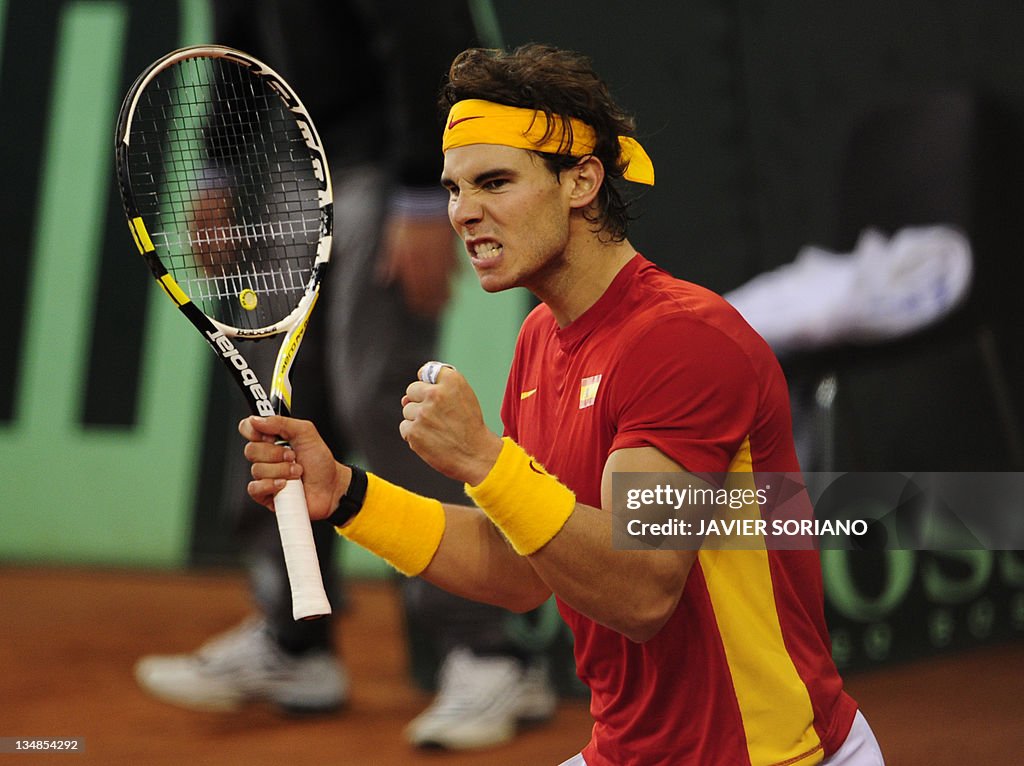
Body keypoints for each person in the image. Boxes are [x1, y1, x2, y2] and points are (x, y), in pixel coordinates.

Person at [239, 43, 885, 765]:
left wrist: (485, 460)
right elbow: (522, 570)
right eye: (453, 189)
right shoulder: (542, 340)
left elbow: (640, 592)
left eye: (494, 182)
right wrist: (350, 496)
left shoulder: (680, 343)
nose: (463, 213)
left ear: (580, 181)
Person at [134, 2, 557, 752]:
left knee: (381, 397)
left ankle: (487, 650)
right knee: (279, 400)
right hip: (298, 164)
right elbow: (237, 41)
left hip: (390, 170)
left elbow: (436, 41)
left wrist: (431, 194)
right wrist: (218, 167)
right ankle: (294, 638)